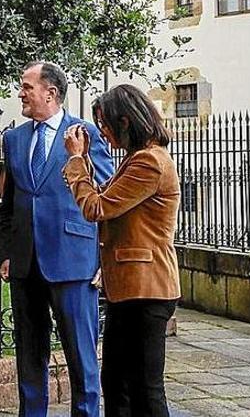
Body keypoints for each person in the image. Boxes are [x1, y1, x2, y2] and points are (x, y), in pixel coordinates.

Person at [0, 61, 113, 417]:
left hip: (74, 262)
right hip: (25, 263)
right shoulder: (14, 138)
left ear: (51, 92)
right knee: (29, 354)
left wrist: (104, 258)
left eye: (26, 87)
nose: (20, 94)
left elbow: (108, 200)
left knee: (81, 358)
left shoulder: (85, 134)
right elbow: (9, 203)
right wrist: (6, 252)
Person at [62, 84, 181, 417]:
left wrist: (74, 162)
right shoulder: (136, 158)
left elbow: (97, 208)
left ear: (126, 121)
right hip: (128, 286)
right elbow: (106, 196)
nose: (102, 132)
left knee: (145, 388)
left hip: (147, 287)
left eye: (105, 123)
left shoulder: (150, 162)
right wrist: (83, 163)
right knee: (116, 381)